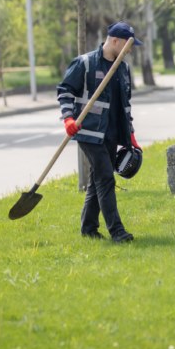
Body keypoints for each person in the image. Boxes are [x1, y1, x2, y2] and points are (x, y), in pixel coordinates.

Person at [57, 21, 142, 243]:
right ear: (115, 41)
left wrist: (131, 136)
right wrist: (68, 119)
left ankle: (88, 229)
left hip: (111, 133)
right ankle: (117, 231)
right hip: (89, 132)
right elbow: (65, 91)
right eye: (128, 45)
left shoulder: (123, 69)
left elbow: (125, 106)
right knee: (105, 178)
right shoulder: (85, 63)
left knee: (97, 181)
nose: (130, 50)